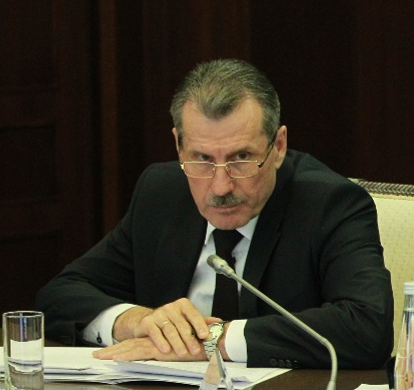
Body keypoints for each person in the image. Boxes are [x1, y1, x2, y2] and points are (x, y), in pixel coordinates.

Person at [37, 59, 392, 369]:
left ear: (279, 146)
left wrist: (213, 341)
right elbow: (60, 295)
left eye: (241, 158)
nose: (221, 187)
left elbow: (367, 328)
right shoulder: (161, 194)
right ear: (178, 147)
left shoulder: (329, 204)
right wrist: (137, 321)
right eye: (202, 159)